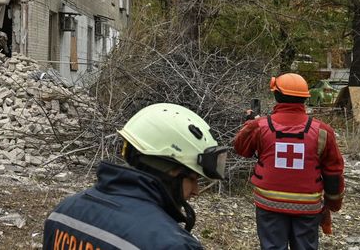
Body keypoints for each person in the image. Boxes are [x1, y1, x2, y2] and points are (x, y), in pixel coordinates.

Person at [43, 103, 228, 250]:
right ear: (172, 171)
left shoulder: (63, 213)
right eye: (193, 178)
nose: (196, 191)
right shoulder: (171, 244)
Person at [234, 73, 345, 250]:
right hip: (308, 207)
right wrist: (332, 204)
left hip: (269, 203)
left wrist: (249, 125)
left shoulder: (260, 126)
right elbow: (333, 172)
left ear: (276, 96)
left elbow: (241, 149)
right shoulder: (323, 131)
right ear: (304, 99)